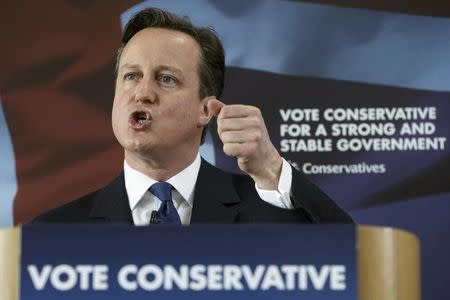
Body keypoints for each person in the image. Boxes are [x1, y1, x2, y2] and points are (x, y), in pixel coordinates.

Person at [34, 7, 352, 225]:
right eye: (131, 76)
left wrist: (270, 168)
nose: (142, 92)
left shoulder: (266, 212)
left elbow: (357, 265)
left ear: (206, 109)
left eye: (166, 78)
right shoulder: (56, 231)